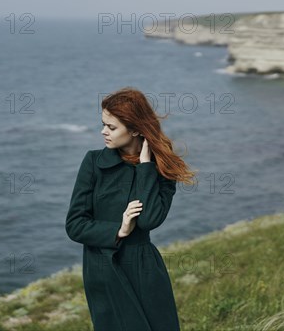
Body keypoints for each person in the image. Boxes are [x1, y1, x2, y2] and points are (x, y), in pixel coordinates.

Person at [66, 87, 196, 331]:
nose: (103, 132)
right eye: (103, 124)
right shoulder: (93, 162)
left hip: (144, 269)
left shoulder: (163, 169)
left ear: (135, 129)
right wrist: (119, 229)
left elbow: (149, 220)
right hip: (103, 270)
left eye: (111, 127)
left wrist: (146, 168)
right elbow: (75, 225)